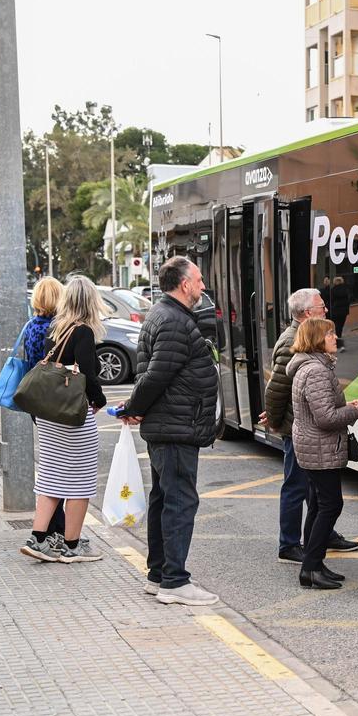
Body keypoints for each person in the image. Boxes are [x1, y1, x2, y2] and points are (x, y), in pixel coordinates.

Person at [120, 257, 220, 606]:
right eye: (199, 279)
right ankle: (174, 582)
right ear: (183, 284)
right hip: (177, 426)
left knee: (164, 499)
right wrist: (134, 408)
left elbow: (155, 373)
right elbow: (157, 375)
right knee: (179, 502)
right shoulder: (175, 321)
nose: (203, 286)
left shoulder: (162, 315)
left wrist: (137, 408)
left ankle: (159, 574)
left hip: (169, 423)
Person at [261, 288, 358, 564]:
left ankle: (322, 535)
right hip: (301, 427)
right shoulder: (293, 340)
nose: (326, 310)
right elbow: (276, 389)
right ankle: (289, 544)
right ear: (307, 314)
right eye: (321, 307)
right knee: (297, 485)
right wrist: (278, 421)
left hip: (305, 424)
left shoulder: (306, 339)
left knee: (317, 494)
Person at [19, 276, 106, 564]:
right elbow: (88, 377)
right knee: (80, 481)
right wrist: (100, 401)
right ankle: (72, 545)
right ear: (91, 302)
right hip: (72, 417)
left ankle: (38, 538)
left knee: (51, 477)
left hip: (48, 416)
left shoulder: (54, 330)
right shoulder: (82, 332)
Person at [288, 317, 358, 590]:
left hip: (314, 446)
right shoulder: (316, 371)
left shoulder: (311, 367)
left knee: (319, 505)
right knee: (331, 505)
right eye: (330, 334)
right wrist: (352, 410)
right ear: (318, 339)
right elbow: (325, 417)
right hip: (319, 447)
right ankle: (310, 568)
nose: (335, 338)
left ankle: (314, 565)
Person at [22, 277, 68, 537]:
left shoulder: (31, 326)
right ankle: (56, 528)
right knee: (60, 466)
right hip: (56, 402)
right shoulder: (57, 328)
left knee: (51, 462)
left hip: (36, 402)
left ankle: (53, 526)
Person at [329, 276, 351, 351]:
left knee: (335, 327)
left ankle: (337, 344)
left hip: (335, 310)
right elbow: (349, 299)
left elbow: (331, 300)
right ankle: (339, 344)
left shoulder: (333, 290)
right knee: (340, 328)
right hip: (343, 311)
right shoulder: (346, 289)